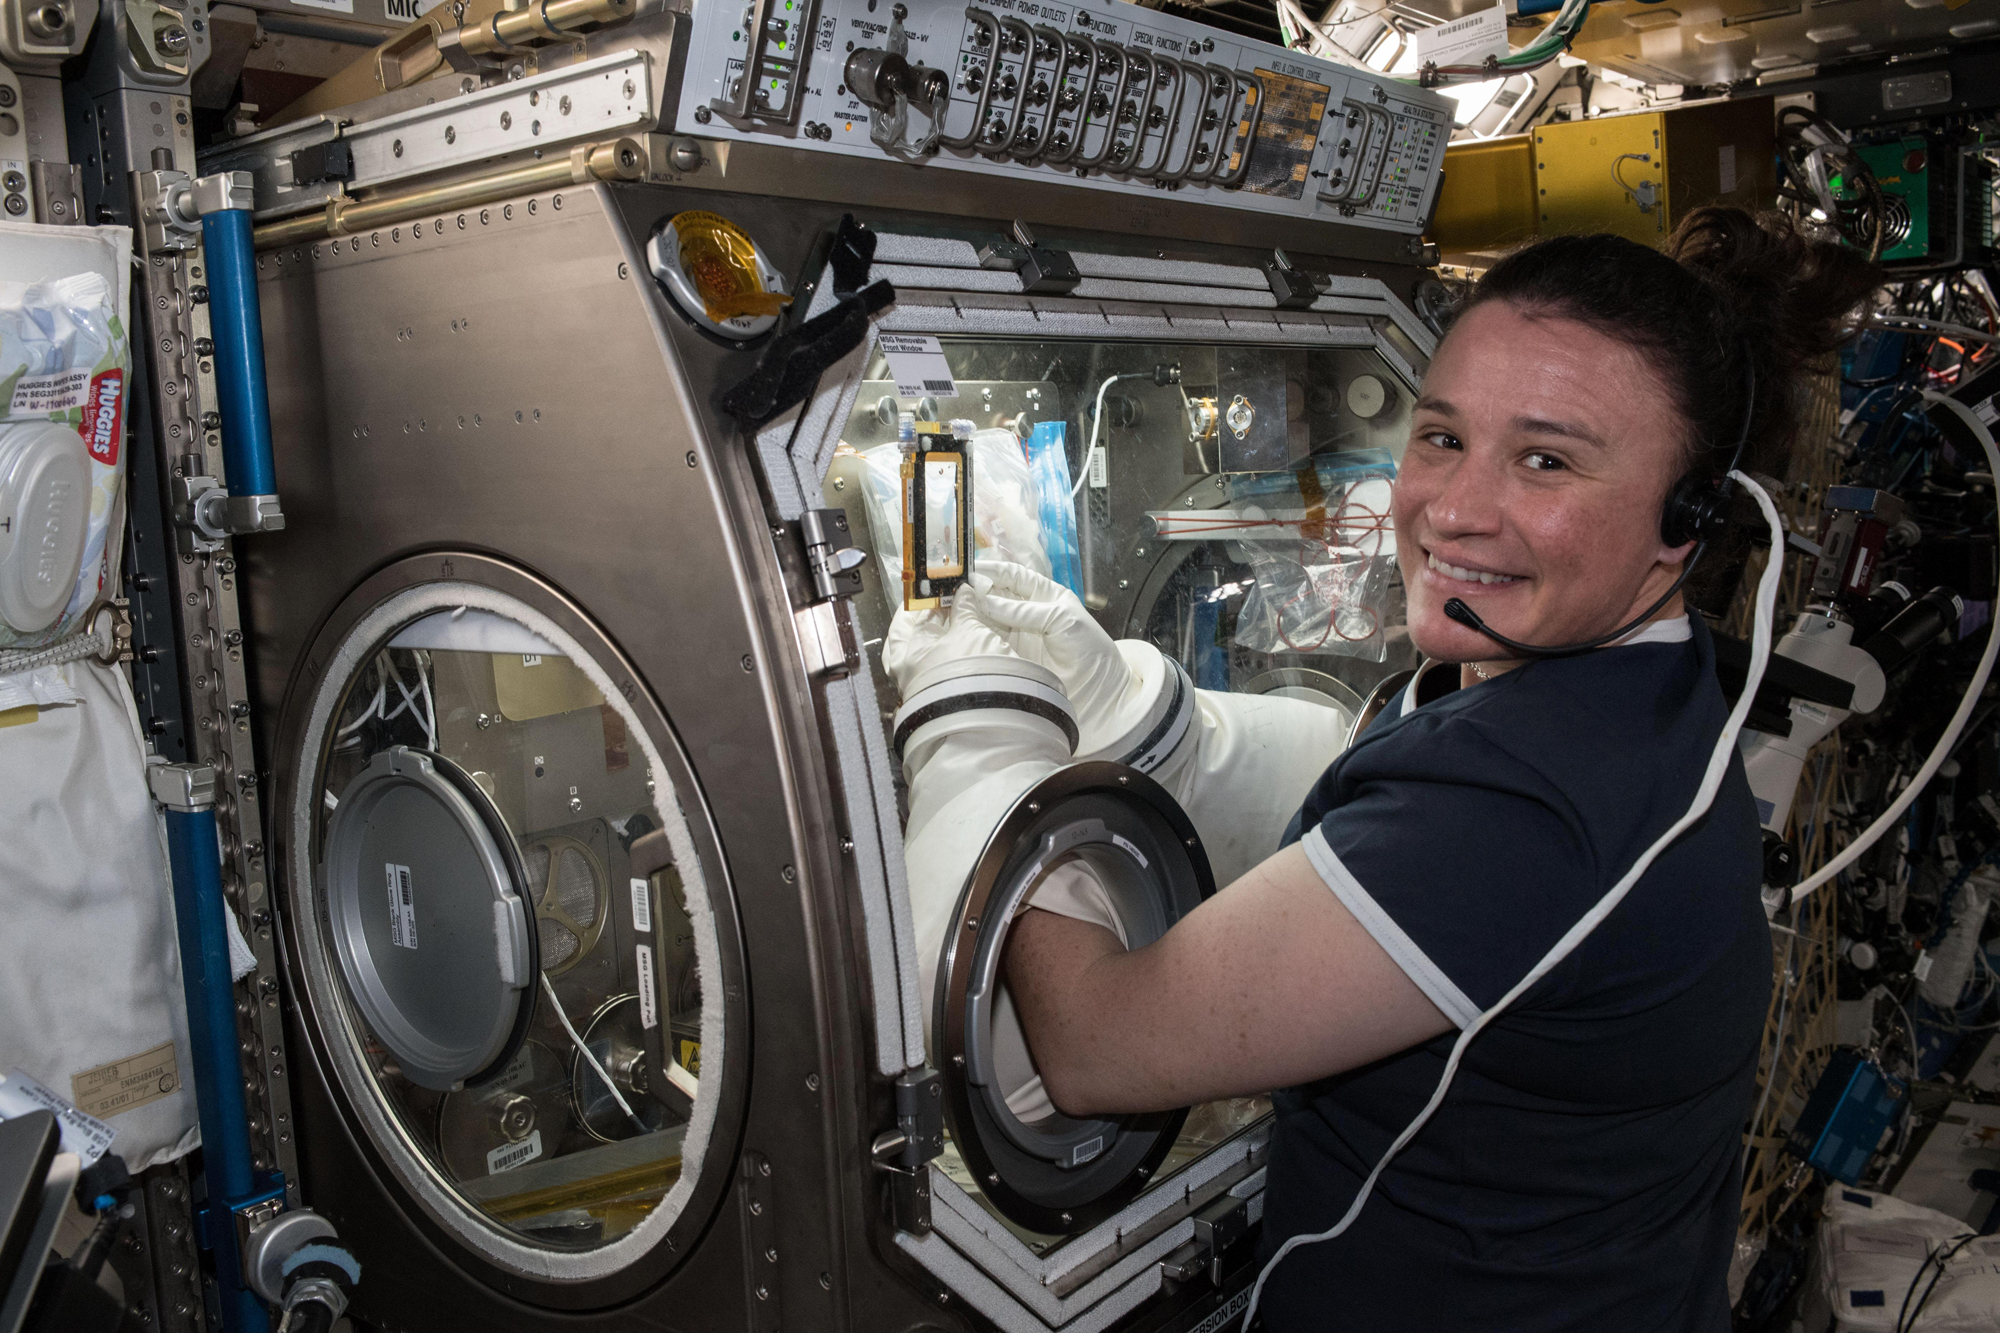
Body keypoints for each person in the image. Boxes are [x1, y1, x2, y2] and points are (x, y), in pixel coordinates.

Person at [981, 208, 1881, 1329]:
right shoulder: (1631, 690)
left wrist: (981, 739)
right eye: (1442, 435)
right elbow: (1365, 799)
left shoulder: (1525, 806)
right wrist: (1139, 708)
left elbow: (1090, 1048)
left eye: (1543, 460)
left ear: (1684, 522)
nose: (1450, 510)